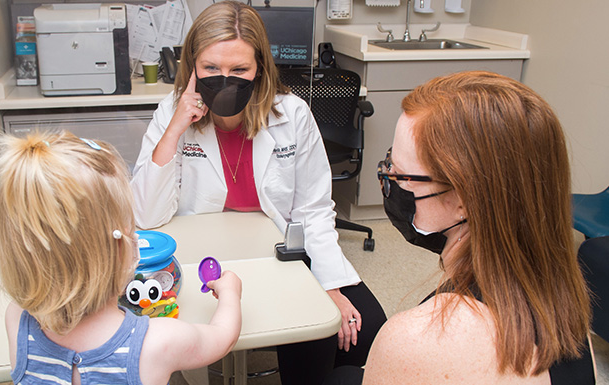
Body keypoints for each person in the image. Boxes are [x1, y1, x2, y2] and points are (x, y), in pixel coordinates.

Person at [130, 2, 386, 384]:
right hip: (204, 255)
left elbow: (314, 209)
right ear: (192, 68)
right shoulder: (173, 114)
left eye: (239, 70)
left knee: (363, 331)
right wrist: (175, 128)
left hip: (279, 249)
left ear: (260, 69)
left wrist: (327, 285)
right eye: (211, 69)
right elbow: (146, 215)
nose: (225, 79)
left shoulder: (292, 114)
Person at [325, 71, 596, 385]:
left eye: (402, 175)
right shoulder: (563, 295)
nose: (389, 179)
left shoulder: (416, 337)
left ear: (465, 199)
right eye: (389, 163)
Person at [0, 131, 243, 385]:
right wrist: (230, 293)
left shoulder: (17, 320)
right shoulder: (156, 342)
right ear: (124, 251)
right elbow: (222, 337)